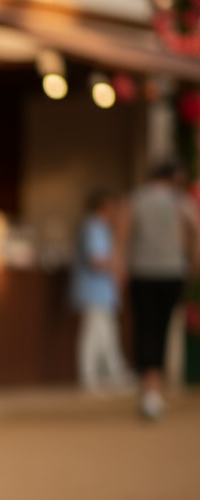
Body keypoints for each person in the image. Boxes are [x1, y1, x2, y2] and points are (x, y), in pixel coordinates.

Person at [121, 163, 200, 420]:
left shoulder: (136, 199)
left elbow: (122, 233)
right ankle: (153, 389)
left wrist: (119, 265)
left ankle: (148, 388)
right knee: (163, 328)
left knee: (144, 327)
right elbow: (196, 233)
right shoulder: (181, 201)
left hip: (141, 270)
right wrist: (193, 264)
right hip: (171, 271)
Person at [70, 190, 128, 393]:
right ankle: (89, 378)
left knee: (106, 334)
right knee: (92, 335)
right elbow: (96, 260)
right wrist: (116, 265)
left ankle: (110, 375)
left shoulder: (101, 227)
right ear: (103, 206)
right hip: (92, 291)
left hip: (102, 292)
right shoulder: (92, 226)